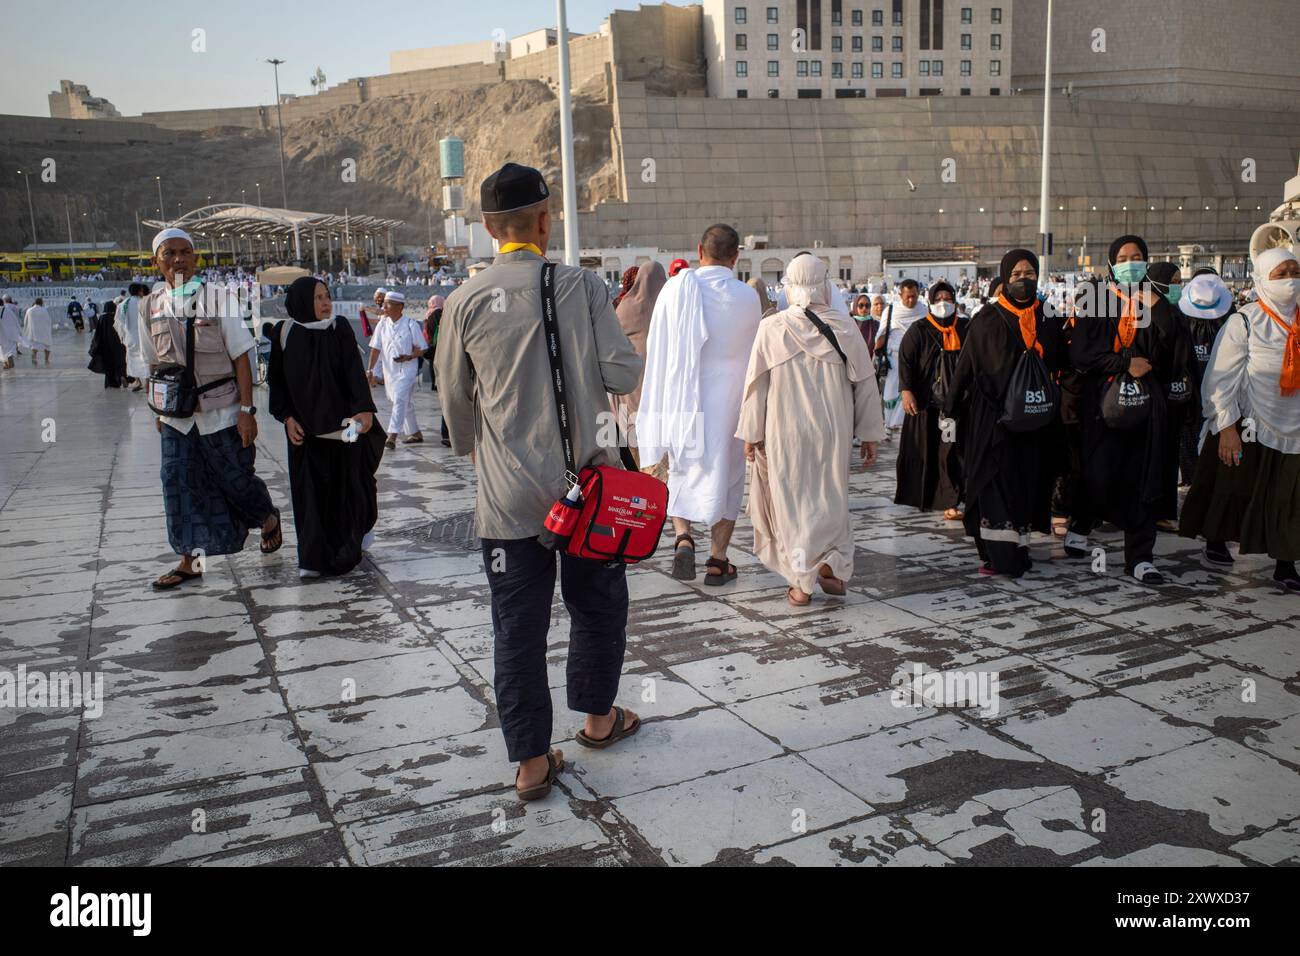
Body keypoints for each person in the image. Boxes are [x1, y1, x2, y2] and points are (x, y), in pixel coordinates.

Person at [436, 162, 644, 800]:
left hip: (507, 503)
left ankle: (530, 763)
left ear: (489, 230)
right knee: (597, 609)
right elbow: (623, 375)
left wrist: (480, 453)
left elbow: (454, 405)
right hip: (588, 496)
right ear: (546, 221)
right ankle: (599, 720)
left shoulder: (465, 300)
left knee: (516, 628)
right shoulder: (581, 286)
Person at [737, 254, 884, 605]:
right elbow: (865, 384)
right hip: (833, 431)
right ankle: (832, 566)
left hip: (785, 432)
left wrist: (752, 432)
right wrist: (869, 435)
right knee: (831, 500)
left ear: (789, 286)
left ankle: (802, 582)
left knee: (793, 503)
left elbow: (756, 385)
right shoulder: (846, 328)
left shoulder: (772, 328)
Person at [140, 228, 282, 590]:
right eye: (168, 253)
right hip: (177, 417)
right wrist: (159, 412)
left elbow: (242, 357)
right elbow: (150, 364)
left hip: (223, 410)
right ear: (157, 262)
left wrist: (247, 410)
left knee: (235, 479)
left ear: (196, 258)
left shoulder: (219, 299)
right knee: (179, 484)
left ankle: (266, 518)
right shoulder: (149, 306)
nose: (178, 259)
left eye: (185, 252)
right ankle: (190, 560)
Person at [638, 224, 763, 584]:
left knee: (680, 468)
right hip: (729, 405)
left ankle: (683, 538)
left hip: (680, 402)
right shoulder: (746, 297)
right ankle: (717, 560)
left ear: (698, 251)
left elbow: (657, 348)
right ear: (737, 256)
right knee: (727, 476)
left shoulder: (674, 291)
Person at [1180, 246, 1300, 591]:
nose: (1290, 280)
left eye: (1295, 271)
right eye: (1281, 274)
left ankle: (1286, 562)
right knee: (1233, 489)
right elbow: (1220, 379)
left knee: (1288, 496)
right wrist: (1227, 428)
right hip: (1249, 422)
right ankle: (1216, 540)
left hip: (1294, 424)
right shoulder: (1245, 320)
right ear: (1263, 279)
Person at [943, 249, 1067, 578]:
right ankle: (999, 556)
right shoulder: (988, 317)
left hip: (1034, 420)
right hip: (993, 421)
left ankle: (1018, 546)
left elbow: (1063, 361)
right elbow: (966, 367)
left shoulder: (1049, 316)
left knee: (1026, 484)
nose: (1023, 280)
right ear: (1004, 277)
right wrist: (950, 409)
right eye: (1016, 275)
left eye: (1029, 274)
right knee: (993, 483)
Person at [1069, 235, 1177, 585]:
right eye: (1123, 256)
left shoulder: (1155, 302)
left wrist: (1158, 308)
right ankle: (1083, 519)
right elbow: (1082, 354)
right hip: (1103, 405)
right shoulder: (1095, 298)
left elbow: (1171, 353)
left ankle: (1140, 557)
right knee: (1098, 474)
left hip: (1147, 407)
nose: (1131, 261)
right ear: (1112, 263)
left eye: (1138, 256)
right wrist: (1124, 363)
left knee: (1143, 479)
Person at [266, 277, 385, 578]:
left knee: (350, 485)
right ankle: (313, 559)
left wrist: (363, 410)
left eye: (327, 296)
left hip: (344, 428)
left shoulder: (338, 328)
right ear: (302, 301)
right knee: (311, 497)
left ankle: (349, 543)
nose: (325, 303)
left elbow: (352, 371)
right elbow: (277, 384)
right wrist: (287, 418)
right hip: (305, 433)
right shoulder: (284, 333)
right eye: (318, 298)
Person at [895, 280, 967, 518]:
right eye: (938, 299)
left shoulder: (964, 328)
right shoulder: (919, 330)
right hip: (926, 406)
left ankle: (951, 501)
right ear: (931, 302)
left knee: (950, 451)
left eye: (947, 299)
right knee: (926, 450)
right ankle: (925, 496)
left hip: (952, 408)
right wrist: (906, 391)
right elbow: (905, 362)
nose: (943, 303)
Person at [1175, 272, 1236, 488]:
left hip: (1189, 390)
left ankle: (1193, 480)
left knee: (1190, 436)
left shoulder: (1180, 316)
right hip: (1221, 393)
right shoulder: (1231, 317)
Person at [612, 261, 667, 467]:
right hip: (659, 386)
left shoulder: (625, 307)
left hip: (631, 385)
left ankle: (639, 486)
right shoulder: (668, 305)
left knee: (633, 441)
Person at [366, 291, 424, 449]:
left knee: (399, 399)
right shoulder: (382, 324)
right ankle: (416, 433)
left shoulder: (411, 324)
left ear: (400, 307)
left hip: (408, 370)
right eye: (384, 303)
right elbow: (375, 349)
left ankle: (391, 436)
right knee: (403, 401)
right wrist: (370, 370)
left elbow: (422, 348)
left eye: (388, 303)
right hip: (390, 370)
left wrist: (410, 356)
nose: (384, 306)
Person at [877, 279, 928, 437]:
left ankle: (903, 424)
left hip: (917, 360)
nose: (911, 300)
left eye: (914, 296)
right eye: (908, 296)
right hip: (895, 358)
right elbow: (881, 334)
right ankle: (888, 424)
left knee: (911, 391)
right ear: (901, 295)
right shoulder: (891, 311)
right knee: (891, 392)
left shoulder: (924, 311)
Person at [424, 294, 451, 445]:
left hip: (437, 359)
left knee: (446, 399)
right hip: (446, 358)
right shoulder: (440, 314)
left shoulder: (429, 315)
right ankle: (448, 434)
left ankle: (447, 434)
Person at [116, 283, 149, 391]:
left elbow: (119, 322)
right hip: (145, 336)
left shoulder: (123, 304)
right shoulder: (143, 302)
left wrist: (122, 336)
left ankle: (138, 381)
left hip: (130, 337)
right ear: (140, 291)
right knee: (146, 359)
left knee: (132, 360)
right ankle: (148, 384)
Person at [87, 298, 127, 388]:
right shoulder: (117, 316)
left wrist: (95, 346)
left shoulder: (102, 318)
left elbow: (97, 334)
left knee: (109, 365)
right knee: (120, 362)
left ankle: (112, 383)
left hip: (106, 346)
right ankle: (122, 376)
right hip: (118, 345)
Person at [23, 298, 53, 365]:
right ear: (41, 303)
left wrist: (26, 330)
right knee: (47, 346)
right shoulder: (44, 310)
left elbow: (25, 321)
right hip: (44, 331)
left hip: (33, 332)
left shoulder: (29, 310)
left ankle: (34, 359)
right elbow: (48, 321)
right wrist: (49, 329)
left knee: (34, 346)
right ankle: (46, 360)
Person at [851, 293, 880, 358]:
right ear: (855, 306)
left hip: (871, 364)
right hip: (852, 363)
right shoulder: (849, 323)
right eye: (861, 305)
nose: (864, 308)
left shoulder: (876, 325)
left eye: (867, 305)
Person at [0, 295, 21, 369]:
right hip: (10, 332)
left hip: (1, 333)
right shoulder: (10, 309)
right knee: (10, 349)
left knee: (2, 349)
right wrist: (19, 331)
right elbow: (16, 319)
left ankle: (6, 364)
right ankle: (10, 363)